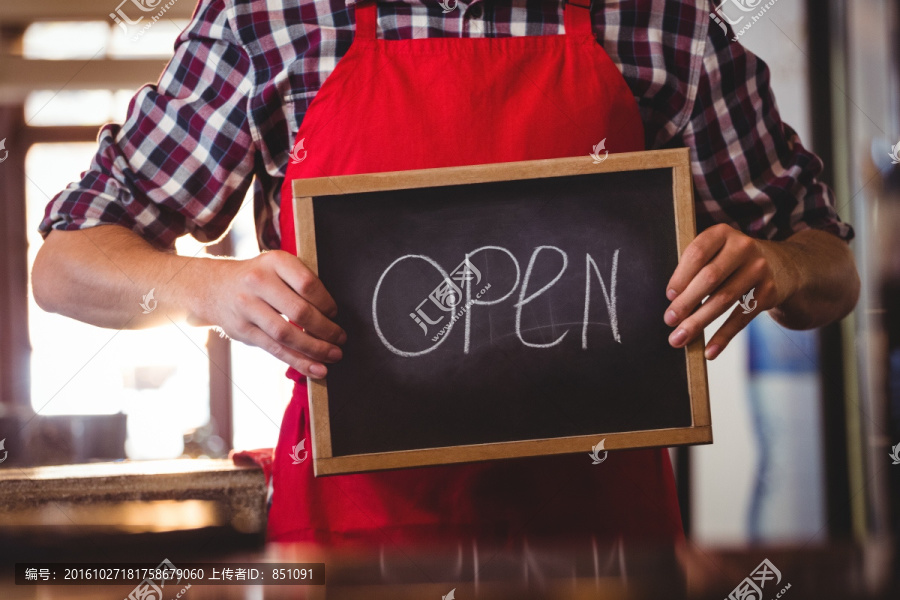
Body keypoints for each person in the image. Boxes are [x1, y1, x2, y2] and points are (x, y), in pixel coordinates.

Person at [32, 0, 859, 547]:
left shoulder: (659, 21)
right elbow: (65, 264)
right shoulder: (273, 20)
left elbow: (831, 267)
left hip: (604, 542)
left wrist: (780, 266)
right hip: (349, 543)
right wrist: (208, 288)